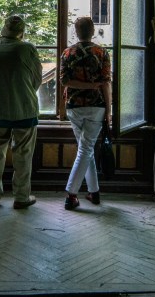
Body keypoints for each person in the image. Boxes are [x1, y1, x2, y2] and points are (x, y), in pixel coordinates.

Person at [0, 14, 43, 209]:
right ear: (21, 33)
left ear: (3, 30)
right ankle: (22, 197)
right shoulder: (27, 49)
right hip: (24, 110)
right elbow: (36, 79)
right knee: (23, 154)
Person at [59, 16, 112, 210]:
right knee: (86, 148)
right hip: (96, 105)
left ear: (76, 31)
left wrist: (82, 85)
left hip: (73, 106)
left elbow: (64, 81)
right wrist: (109, 110)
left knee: (85, 148)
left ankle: (94, 191)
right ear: (92, 31)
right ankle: (71, 195)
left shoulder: (67, 52)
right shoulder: (101, 52)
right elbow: (106, 82)